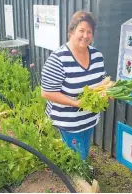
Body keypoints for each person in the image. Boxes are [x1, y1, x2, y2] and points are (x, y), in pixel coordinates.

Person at [41, 11, 107, 160]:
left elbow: (101, 81)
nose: (85, 35)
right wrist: (75, 102)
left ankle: (80, 174)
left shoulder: (97, 56)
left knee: (83, 150)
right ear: (71, 31)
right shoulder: (58, 59)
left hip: (89, 118)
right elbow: (46, 93)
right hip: (68, 120)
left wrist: (107, 94)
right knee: (78, 157)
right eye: (81, 30)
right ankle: (76, 180)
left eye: (89, 32)